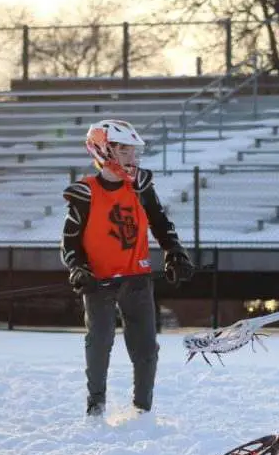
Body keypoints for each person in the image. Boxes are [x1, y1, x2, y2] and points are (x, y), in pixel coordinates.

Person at [60, 119, 195, 417]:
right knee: (99, 343)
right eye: (124, 152)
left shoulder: (142, 185)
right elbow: (70, 244)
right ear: (103, 151)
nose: (132, 160)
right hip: (100, 283)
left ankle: (142, 410)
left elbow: (161, 223)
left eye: (134, 153)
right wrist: (78, 269)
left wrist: (175, 253)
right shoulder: (85, 193)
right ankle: (96, 407)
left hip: (137, 279)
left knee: (146, 349)